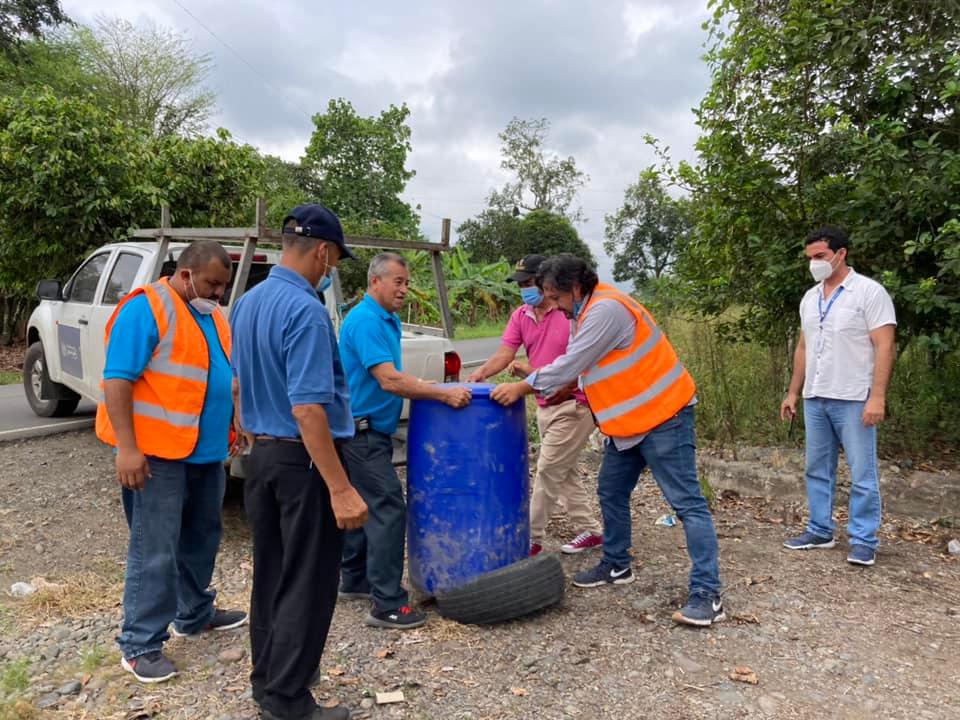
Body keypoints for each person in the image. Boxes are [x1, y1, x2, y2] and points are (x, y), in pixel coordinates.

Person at [490, 255, 725, 627]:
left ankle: (707, 594)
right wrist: (568, 388)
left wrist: (522, 387)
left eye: (555, 296)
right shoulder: (582, 312)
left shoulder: (605, 309)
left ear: (575, 288)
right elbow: (589, 368)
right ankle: (616, 564)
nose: (553, 304)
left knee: (687, 504)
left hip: (665, 417)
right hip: (626, 424)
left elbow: (571, 362)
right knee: (611, 491)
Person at [230, 204, 367, 720]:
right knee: (308, 581)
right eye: (335, 261)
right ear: (323, 252)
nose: (331, 270)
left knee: (272, 574)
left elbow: (237, 384)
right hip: (302, 462)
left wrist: (248, 431)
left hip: (262, 456)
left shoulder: (246, 303)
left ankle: (268, 680)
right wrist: (340, 487)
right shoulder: (306, 310)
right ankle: (287, 700)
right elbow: (309, 409)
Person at [96, 240, 248, 684]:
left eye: (223, 286)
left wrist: (235, 422)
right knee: (156, 549)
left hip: (205, 453)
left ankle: (194, 613)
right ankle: (140, 644)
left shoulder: (212, 316)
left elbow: (220, 378)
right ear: (186, 274)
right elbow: (117, 381)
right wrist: (128, 449)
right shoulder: (146, 308)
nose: (218, 293)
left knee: (202, 536)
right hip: (156, 456)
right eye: (212, 283)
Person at [338, 252, 471, 629]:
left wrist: (421, 386)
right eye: (398, 282)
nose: (404, 289)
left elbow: (390, 373)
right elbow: (389, 379)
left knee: (364, 504)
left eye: (407, 283)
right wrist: (442, 393)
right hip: (361, 432)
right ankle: (387, 603)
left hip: (369, 429)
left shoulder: (387, 319)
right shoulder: (365, 320)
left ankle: (355, 579)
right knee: (388, 508)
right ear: (375, 281)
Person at [466, 254, 602, 556]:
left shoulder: (568, 313)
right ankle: (591, 530)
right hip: (543, 403)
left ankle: (530, 538)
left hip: (574, 404)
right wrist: (481, 373)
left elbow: (578, 363)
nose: (524, 290)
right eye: (520, 285)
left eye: (528, 283)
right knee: (563, 471)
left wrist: (531, 381)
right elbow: (505, 353)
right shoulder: (521, 316)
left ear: (545, 282)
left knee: (548, 469)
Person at [780, 225, 896, 567]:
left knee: (862, 473)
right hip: (816, 396)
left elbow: (884, 345)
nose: (814, 263)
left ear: (841, 254)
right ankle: (820, 530)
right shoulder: (810, 298)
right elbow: (804, 347)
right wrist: (793, 392)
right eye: (810, 257)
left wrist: (877, 397)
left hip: (854, 396)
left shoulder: (869, 293)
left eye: (821, 256)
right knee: (817, 469)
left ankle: (863, 539)